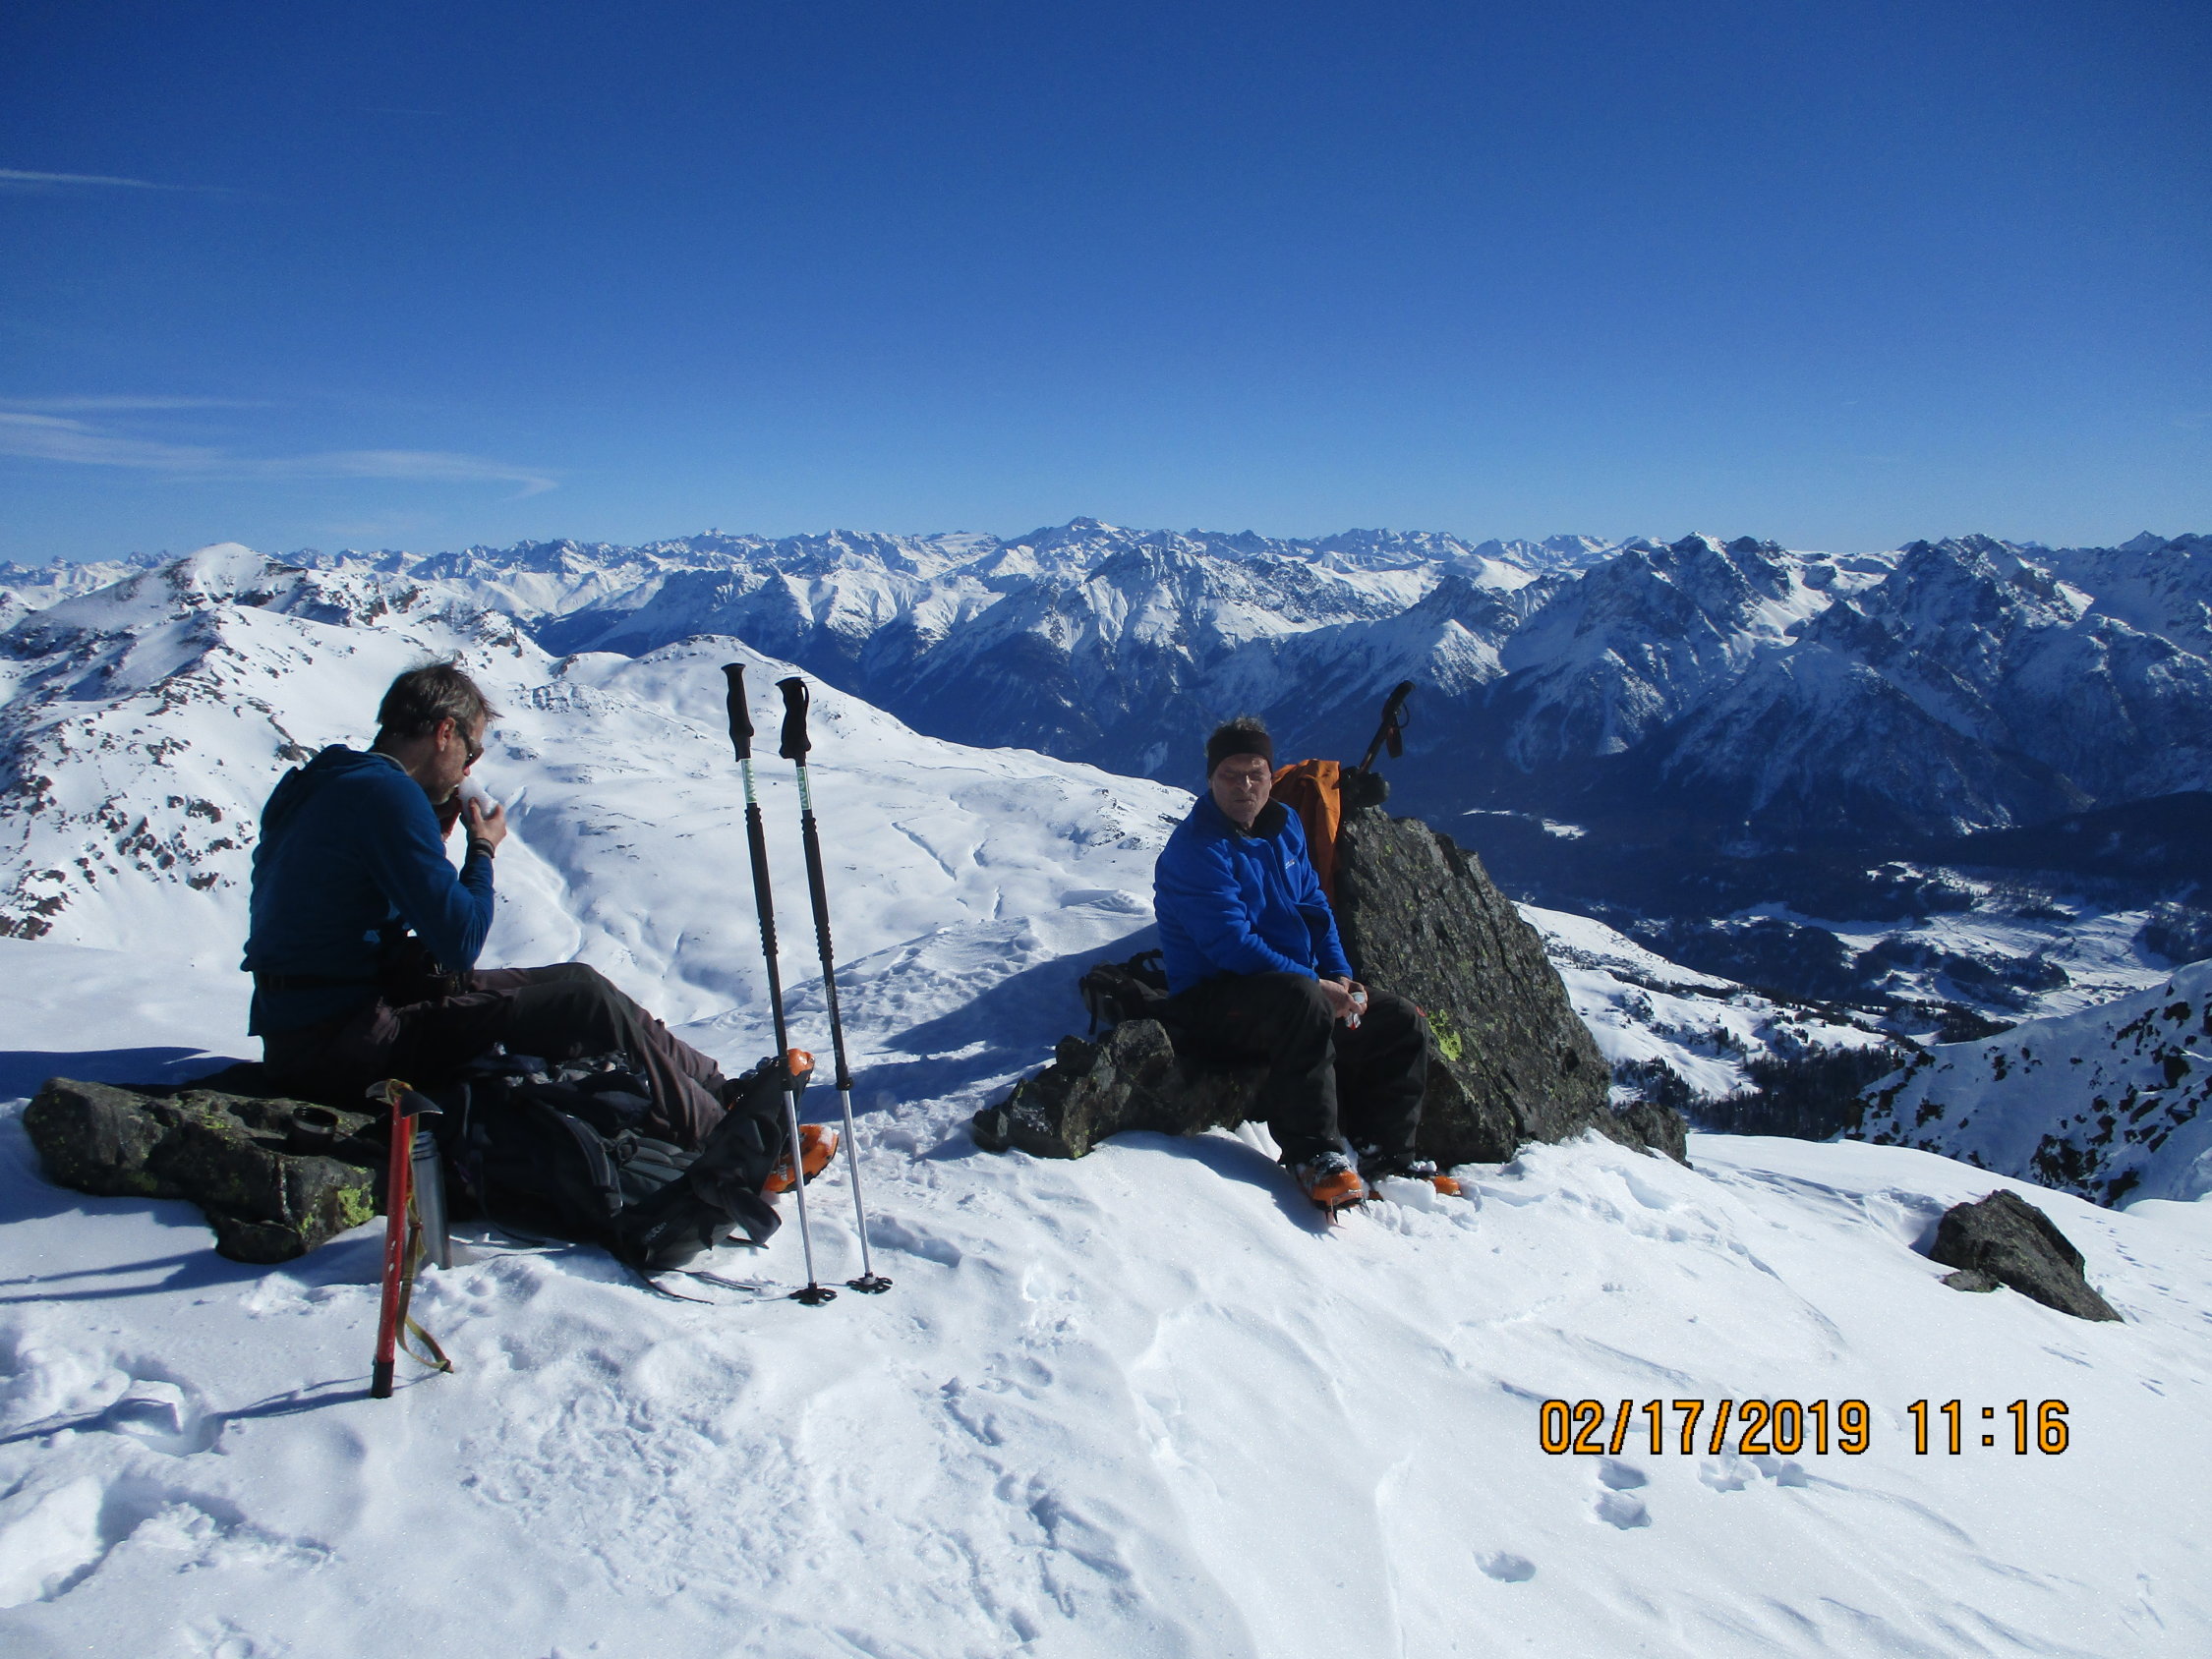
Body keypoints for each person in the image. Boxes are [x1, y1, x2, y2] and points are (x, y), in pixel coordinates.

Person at [241, 660, 825, 1180]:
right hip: (348, 1040)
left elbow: (358, 895)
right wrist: (481, 849)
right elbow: (460, 939)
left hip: (309, 1023)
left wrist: (433, 823)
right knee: (583, 1004)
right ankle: (732, 1147)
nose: (468, 766)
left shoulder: (325, 779)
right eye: (470, 751)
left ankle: (719, 1091)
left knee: (579, 980)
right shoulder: (389, 797)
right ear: (444, 732)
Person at [1152, 715, 1446, 1211]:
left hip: (1288, 991)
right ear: (1210, 779)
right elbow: (1231, 945)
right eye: (1230, 775)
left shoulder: (1285, 825)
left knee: (1398, 1019)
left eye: (1256, 773)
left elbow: (1314, 905)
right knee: (1303, 1001)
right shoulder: (1197, 850)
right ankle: (1315, 1157)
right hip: (1211, 1003)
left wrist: (1339, 974)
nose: (1245, 786)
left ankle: (1389, 1157)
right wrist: (1315, 984)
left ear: (1271, 775)